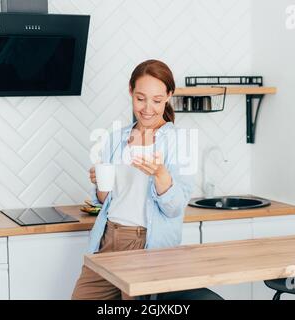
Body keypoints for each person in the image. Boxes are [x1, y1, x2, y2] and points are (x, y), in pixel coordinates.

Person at [71, 59, 196, 300]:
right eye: (140, 98)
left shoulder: (180, 141)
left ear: (169, 95)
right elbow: (103, 201)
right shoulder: (116, 138)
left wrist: (160, 175)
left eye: (157, 100)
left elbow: (175, 208)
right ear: (130, 91)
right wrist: (100, 183)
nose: (148, 108)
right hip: (107, 238)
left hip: (146, 244)